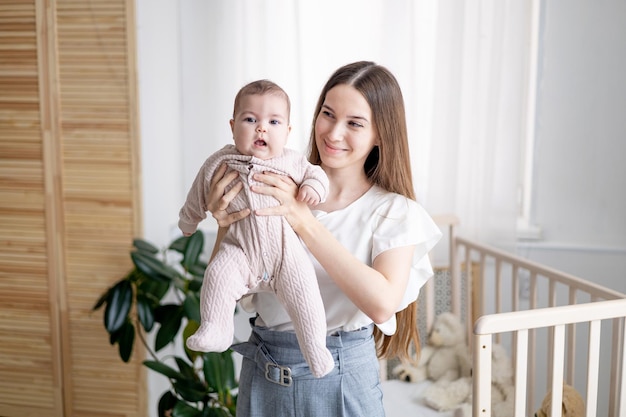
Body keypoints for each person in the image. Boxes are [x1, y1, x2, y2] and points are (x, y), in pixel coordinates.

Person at [204, 62, 442, 417]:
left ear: (380, 134)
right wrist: (225, 223)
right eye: (327, 114)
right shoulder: (273, 182)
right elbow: (236, 289)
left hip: (342, 378)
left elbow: (382, 303)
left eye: (355, 123)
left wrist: (304, 222)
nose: (333, 133)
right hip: (264, 370)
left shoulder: (394, 211)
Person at [178, 79, 335, 378]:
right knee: (217, 276)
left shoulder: (292, 161)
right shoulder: (220, 162)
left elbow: (316, 175)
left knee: (306, 297)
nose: (261, 128)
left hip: (286, 255)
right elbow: (198, 194)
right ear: (232, 125)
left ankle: (316, 349)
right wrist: (189, 221)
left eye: (273, 121)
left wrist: (315, 188)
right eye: (250, 119)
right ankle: (216, 329)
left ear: (287, 132)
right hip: (240, 251)